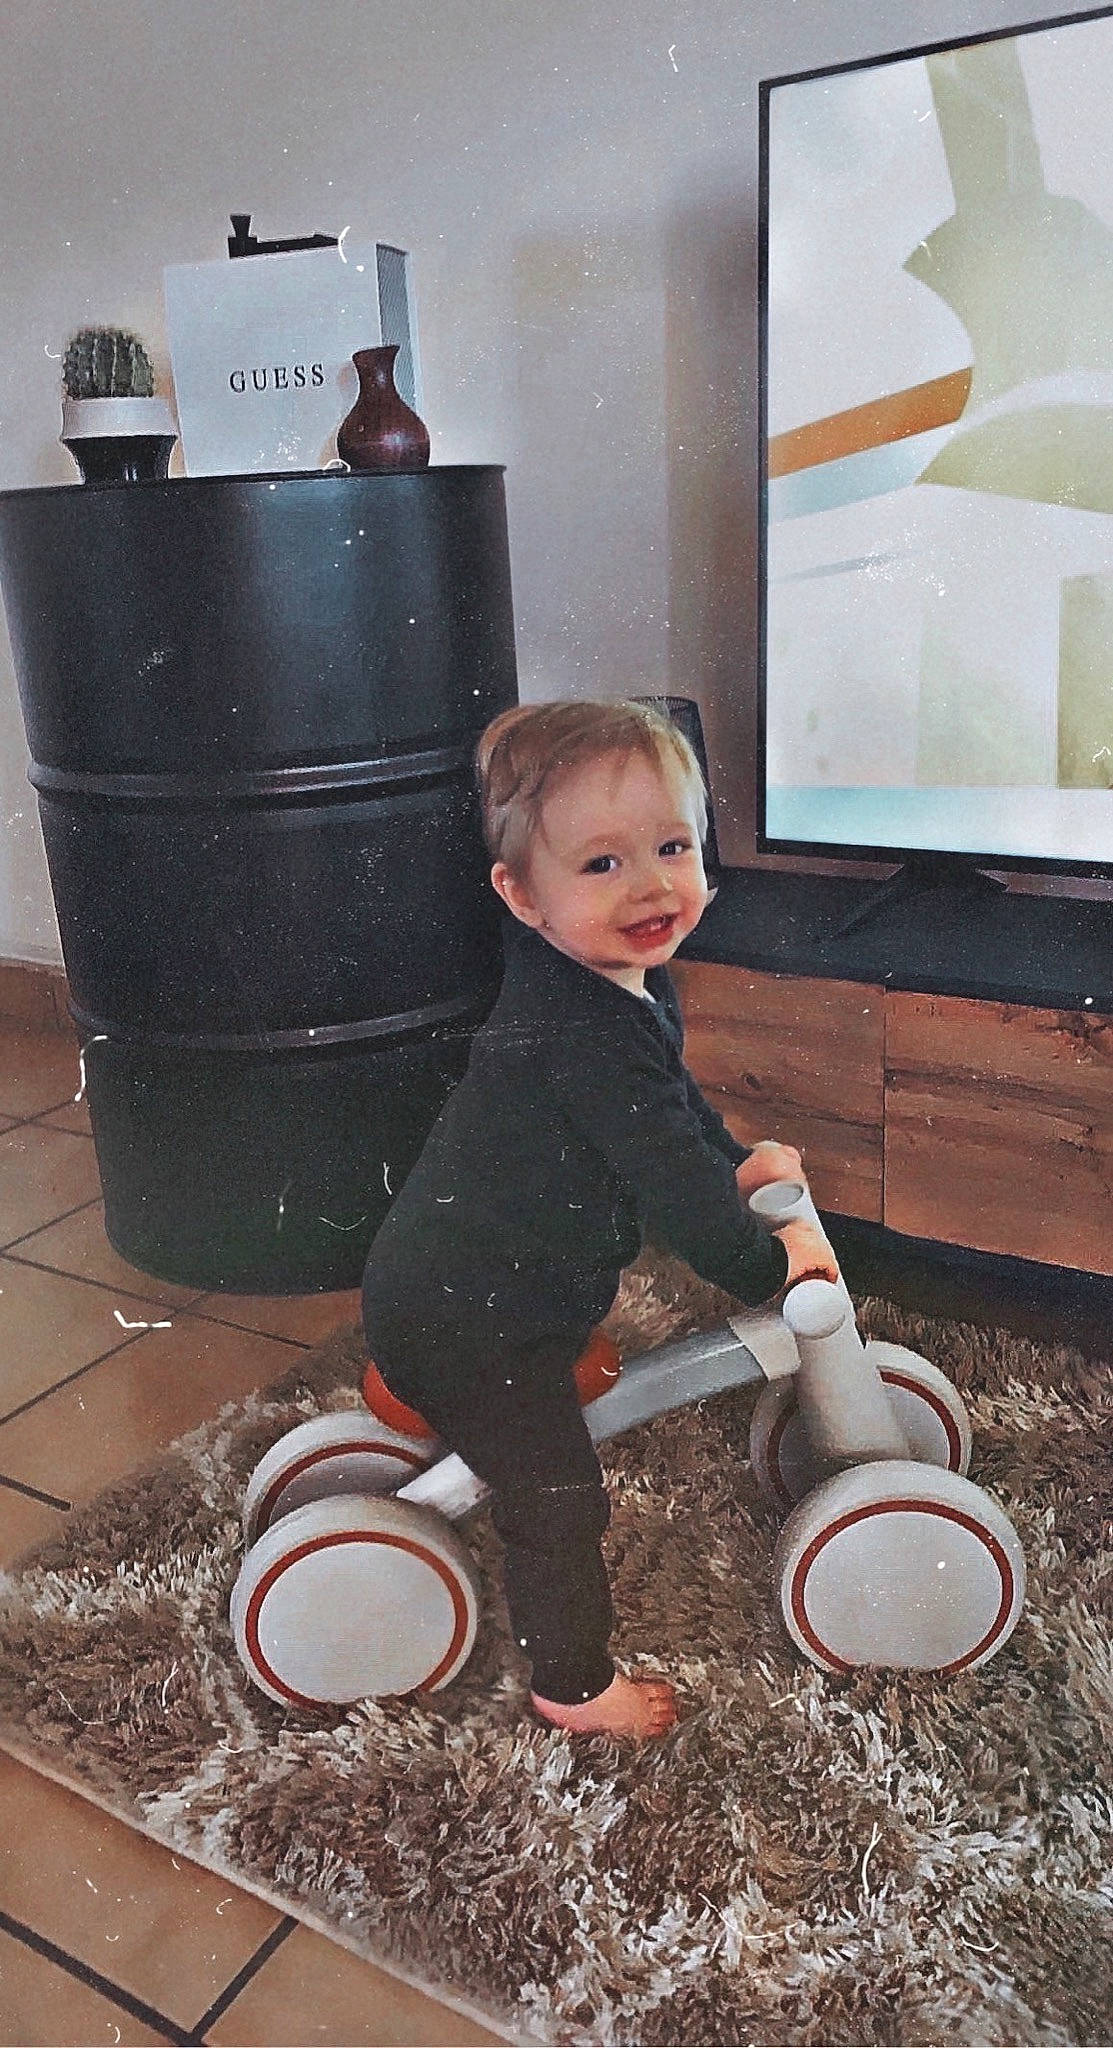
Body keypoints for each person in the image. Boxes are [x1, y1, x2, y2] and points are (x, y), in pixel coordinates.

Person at [361, 699, 840, 1740]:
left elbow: (672, 1117)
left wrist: (737, 1159)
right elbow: (678, 1198)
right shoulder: (580, 1032)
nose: (653, 884)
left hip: (479, 1280)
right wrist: (776, 1271)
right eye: (602, 865)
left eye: (673, 846)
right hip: (469, 1316)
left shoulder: (622, 985)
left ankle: (459, 1389)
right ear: (521, 894)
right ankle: (571, 1685)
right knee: (560, 1493)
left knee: (549, 1396)